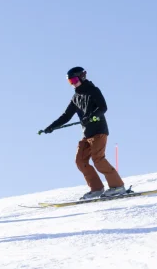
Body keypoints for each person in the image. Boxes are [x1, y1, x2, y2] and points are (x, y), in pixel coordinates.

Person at [42, 67, 125, 200]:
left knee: (98, 159)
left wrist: (92, 116)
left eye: (74, 80)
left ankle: (117, 186)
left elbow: (103, 107)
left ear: (82, 77)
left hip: (99, 131)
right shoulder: (76, 97)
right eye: (70, 81)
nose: (73, 83)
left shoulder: (93, 91)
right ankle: (97, 189)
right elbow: (66, 115)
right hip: (87, 134)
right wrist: (52, 127)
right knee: (80, 161)